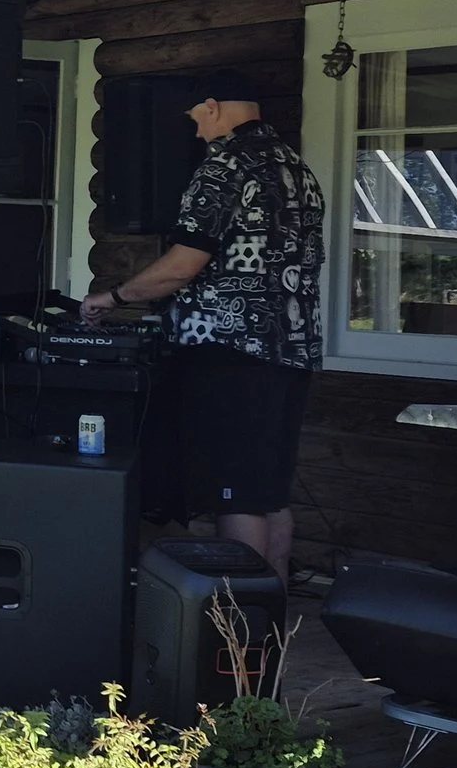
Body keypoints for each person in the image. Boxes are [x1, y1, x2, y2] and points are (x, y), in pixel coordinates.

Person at [82, 71, 325, 587]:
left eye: (195, 119)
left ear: (212, 106)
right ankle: (270, 619)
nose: (195, 133)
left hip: (230, 352)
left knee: (232, 494)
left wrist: (115, 295)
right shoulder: (295, 168)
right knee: (269, 494)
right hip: (292, 350)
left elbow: (182, 265)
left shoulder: (225, 166)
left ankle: (235, 628)